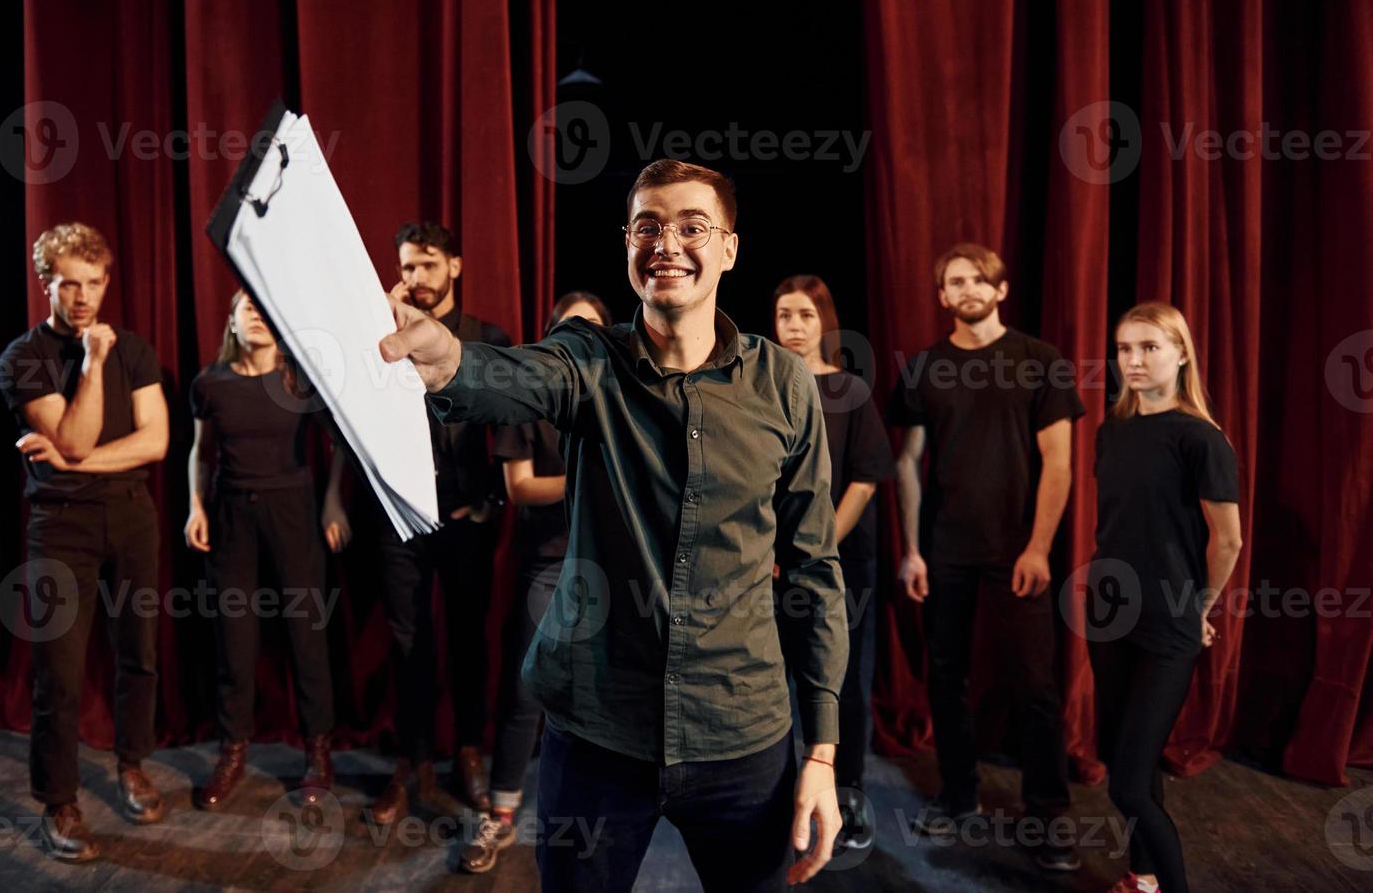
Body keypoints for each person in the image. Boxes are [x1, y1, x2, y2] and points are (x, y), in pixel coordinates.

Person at [380, 158, 847, 892]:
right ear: (626, 245)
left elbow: (816, 569)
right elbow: (504, 377)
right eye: (647, 226)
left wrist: (821, 753)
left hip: (741, 738)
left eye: (692, 226)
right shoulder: (587, 358)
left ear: (729, 248)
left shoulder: (784, 384)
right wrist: (444, 360)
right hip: (598, 733)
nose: (666, 242)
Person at [886, 243, 1084, 871]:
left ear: (1001, 290)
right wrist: (913, 550)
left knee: (1034, 685)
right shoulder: (923, 367)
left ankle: (1048, 814)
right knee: (945, 679)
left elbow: (1060, 463)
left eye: (979, 279)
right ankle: (958, 791)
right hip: (945, 551)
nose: (967, 288)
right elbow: (907, 465)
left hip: (1018, 553)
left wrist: (1039, 547)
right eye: (954, 281)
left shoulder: (1040, 361)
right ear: (942, 297)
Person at [0, 223, 170, 863]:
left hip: (131, 515)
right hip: (59, 525)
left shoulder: (137, 349)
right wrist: (93, 366)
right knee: (59, 674)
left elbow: (154, 443)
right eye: (69, 282)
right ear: (47, 282)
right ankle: (59, 800)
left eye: (94, 283)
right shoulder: (23, 358)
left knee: (139, 654)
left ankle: (132, 765)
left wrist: (72, 462)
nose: (83, 297)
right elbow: (71, 436)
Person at [361, 221, 513, 825]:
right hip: (399, 515)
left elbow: (511, 429)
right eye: (407, 266)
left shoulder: (488, 337)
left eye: (427, 265)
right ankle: (412, 760)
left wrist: (489, 505)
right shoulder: (384, 334)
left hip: (465, 517)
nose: (415, 277)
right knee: (407, 642)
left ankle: (468, 752)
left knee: (469, 636)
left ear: (454, 265)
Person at [460, 291, 613, 875]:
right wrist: (594, 477)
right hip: (549, 563)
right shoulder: (527, 401)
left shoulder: (621, 396)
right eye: (570, 329)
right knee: (526, 689)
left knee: (606, 696)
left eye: (593, 329)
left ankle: (600, 823)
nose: (581, 339)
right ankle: (499, 813)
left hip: (615, 568)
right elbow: (520, 486)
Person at [1092, 302, 1241, 893]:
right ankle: (1143, 877)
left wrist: (1198, 607)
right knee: (1131, 763)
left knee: (1127, 785)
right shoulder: (1113, 428)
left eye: (1149, 347)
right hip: (1108, 615)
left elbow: (1227, 541)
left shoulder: (1199, 438)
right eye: (1125, 348)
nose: (1133, 359)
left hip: (1167, 625)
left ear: (1181, 354)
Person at [183, 289, 347, 811]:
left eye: (262, 304)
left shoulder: (298, 377)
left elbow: (338, 442)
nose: (254, 312)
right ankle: (233, 751)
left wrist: (333, 502)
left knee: (306, 636)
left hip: (293, 512)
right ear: (231, 319)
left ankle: (318, 752)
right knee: (234, 640)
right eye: (244, 305)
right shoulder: (210, 382)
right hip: (231, 514)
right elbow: (199, 450)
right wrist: (195, 505)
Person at [772, 275, 893, 852]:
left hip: (840, 564)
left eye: (803, 315)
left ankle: (847, 796)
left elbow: (865, 482)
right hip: (768, 567)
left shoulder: (849, 390)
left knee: (841, 681)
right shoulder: (763, 387)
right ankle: (778, 794)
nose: (793, 326)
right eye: (783, 315)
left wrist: (812, 549)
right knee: (774, 682)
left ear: (824, 321)